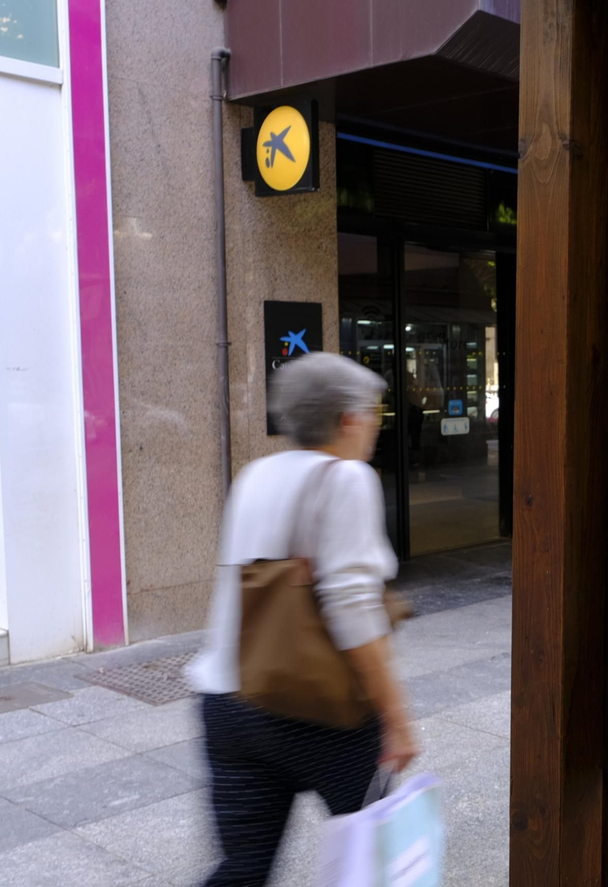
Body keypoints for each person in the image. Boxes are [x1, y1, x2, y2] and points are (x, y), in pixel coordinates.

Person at [187, 351, 419, 885]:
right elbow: (353, 612)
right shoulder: (347, 479)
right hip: (320, 715)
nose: (375, 428)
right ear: (347, 419)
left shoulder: (255, 475)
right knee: (377, 862)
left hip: (229, 705)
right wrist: (397, 720)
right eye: (375, 414)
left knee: (242, 870)